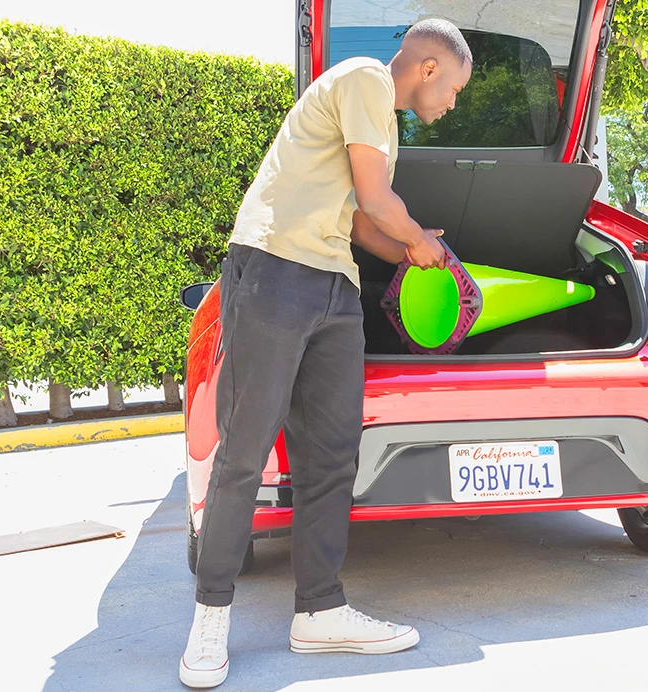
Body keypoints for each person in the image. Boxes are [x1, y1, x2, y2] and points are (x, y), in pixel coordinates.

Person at [178, 18, 473, 689]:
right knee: (244, 451)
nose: (452, 101)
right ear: (428, 68)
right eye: (454, 86)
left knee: (333, 453)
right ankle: (210, 617)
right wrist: (420, 242)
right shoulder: (367, 78)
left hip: (333, 282)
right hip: (277, 267)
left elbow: (363, 221)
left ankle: (320, 610)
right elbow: (375, 200)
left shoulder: (382, 123)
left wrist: (417, 251)